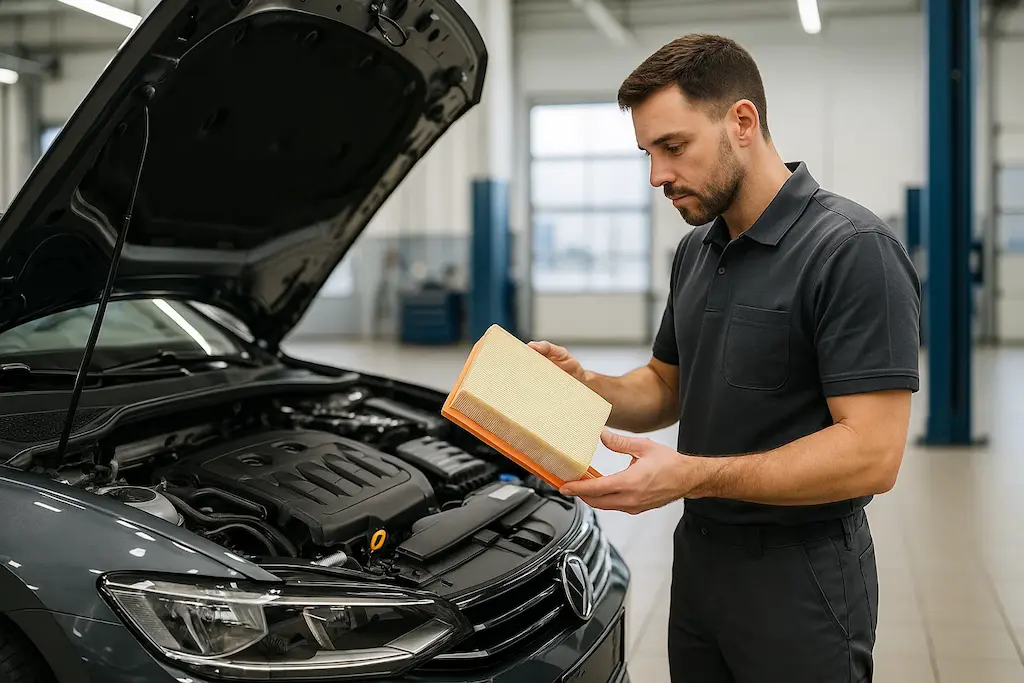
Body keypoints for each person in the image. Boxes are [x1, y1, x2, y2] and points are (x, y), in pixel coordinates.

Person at [528, 34, 921, 683]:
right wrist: (584, 383)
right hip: (703, 562)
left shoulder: (853, 251)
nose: (656, 175)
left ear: (742, 122)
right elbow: (664, 385)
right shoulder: (696, 252)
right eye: (647, 152)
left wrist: (690, 475)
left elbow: (873, 455)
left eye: (673, 147)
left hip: (801, 574)